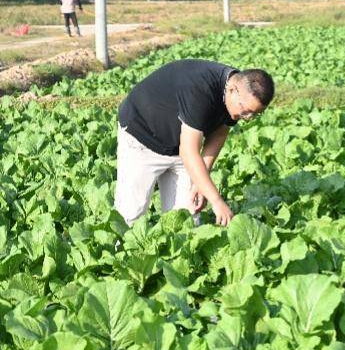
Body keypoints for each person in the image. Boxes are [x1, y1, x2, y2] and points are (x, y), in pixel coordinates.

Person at [115, 59, 275, 226]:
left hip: (180, 146)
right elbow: (189, 151)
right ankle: (118, 251)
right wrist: (217, 201)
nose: (247, 117)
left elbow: (219, 134)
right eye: (246, 111)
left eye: (254, 114)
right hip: (142, 137)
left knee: (186, 218)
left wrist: (201, 182)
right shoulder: (202, 89)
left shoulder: (236, 93)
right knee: (130, 214)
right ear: (232, 90)